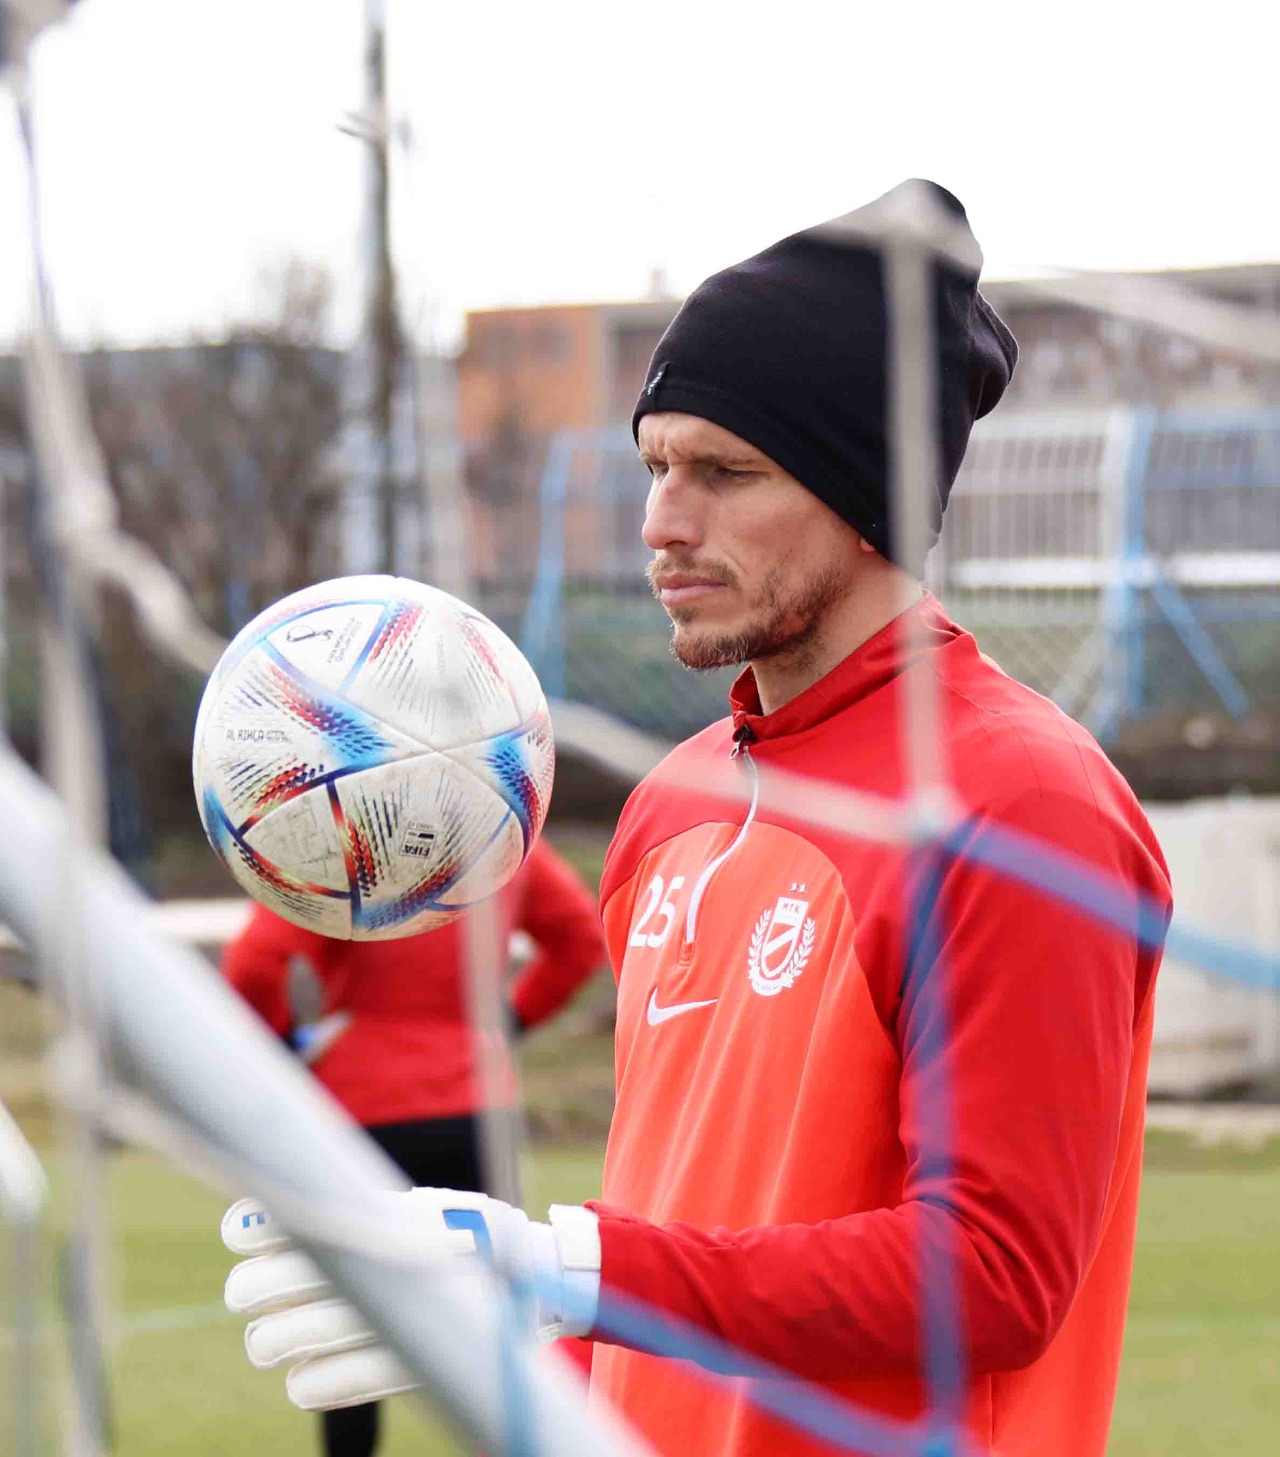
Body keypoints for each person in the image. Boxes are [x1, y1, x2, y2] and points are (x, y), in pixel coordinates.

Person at [220, 180, 1172, 1457]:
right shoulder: (673, 799)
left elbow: (992, 1276)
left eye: (725, 472)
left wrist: (573, 1267)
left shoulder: (1021, 803)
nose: (662, 522)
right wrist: (494, 1318)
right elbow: (681, 1218)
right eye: (655, 464)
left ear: (869, 497)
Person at [220, 833, 607, 1457]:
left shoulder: (341, 844)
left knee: (345, 1315)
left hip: (360, 1107)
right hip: (473, 1105)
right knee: (501, 1316)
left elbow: (255, 962)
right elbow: (581, 943)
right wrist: (505, 1023)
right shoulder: (501, 838)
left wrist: (282, 1047)